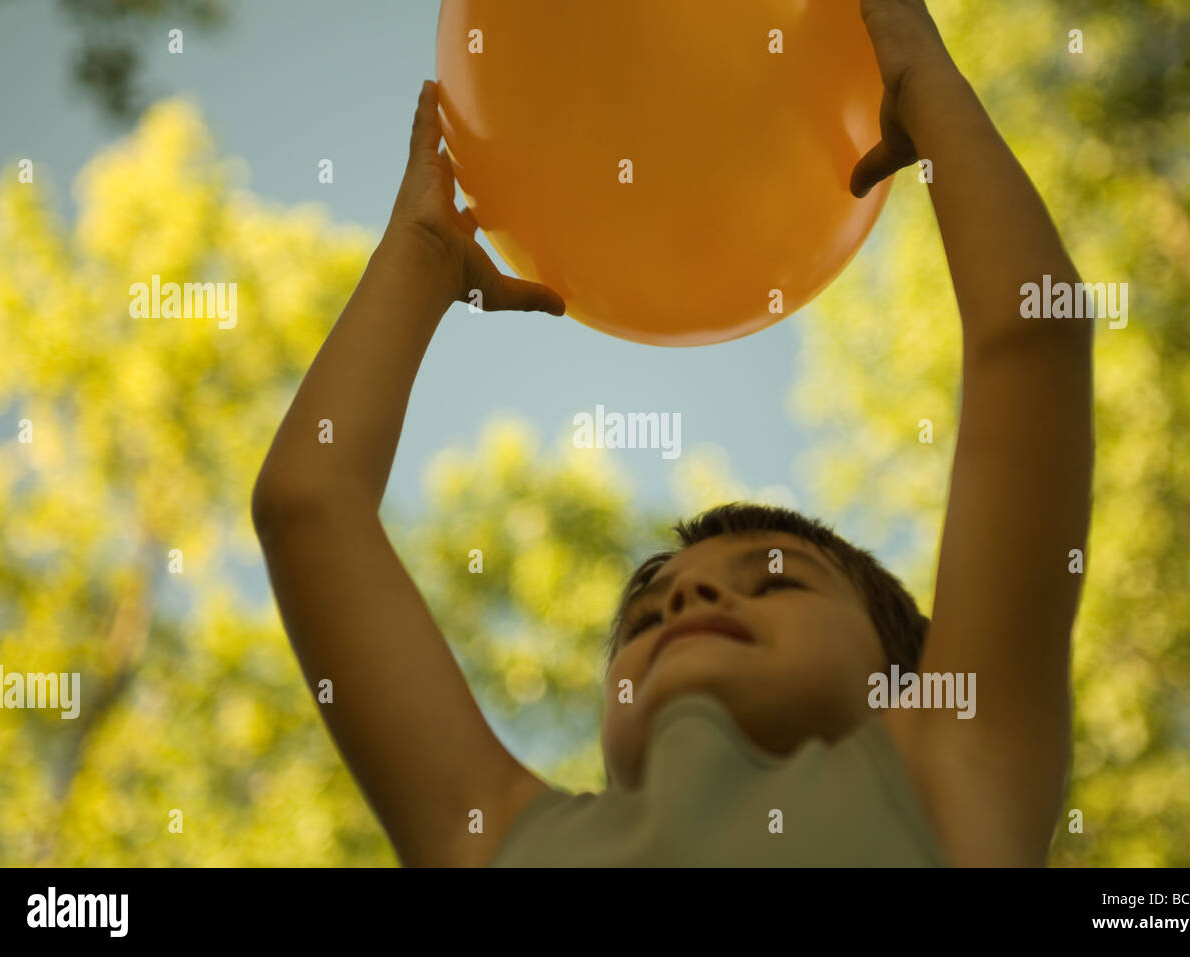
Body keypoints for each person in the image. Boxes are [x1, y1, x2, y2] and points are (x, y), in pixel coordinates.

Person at [251, 0, 1093, 867]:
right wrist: (422, 251)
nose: (685, 601)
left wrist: (926, 80)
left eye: (773, 585)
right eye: (648, 611)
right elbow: (305, 503)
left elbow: (1035, 332)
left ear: (909, 683)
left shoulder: (951, 771)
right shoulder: (503, 836)